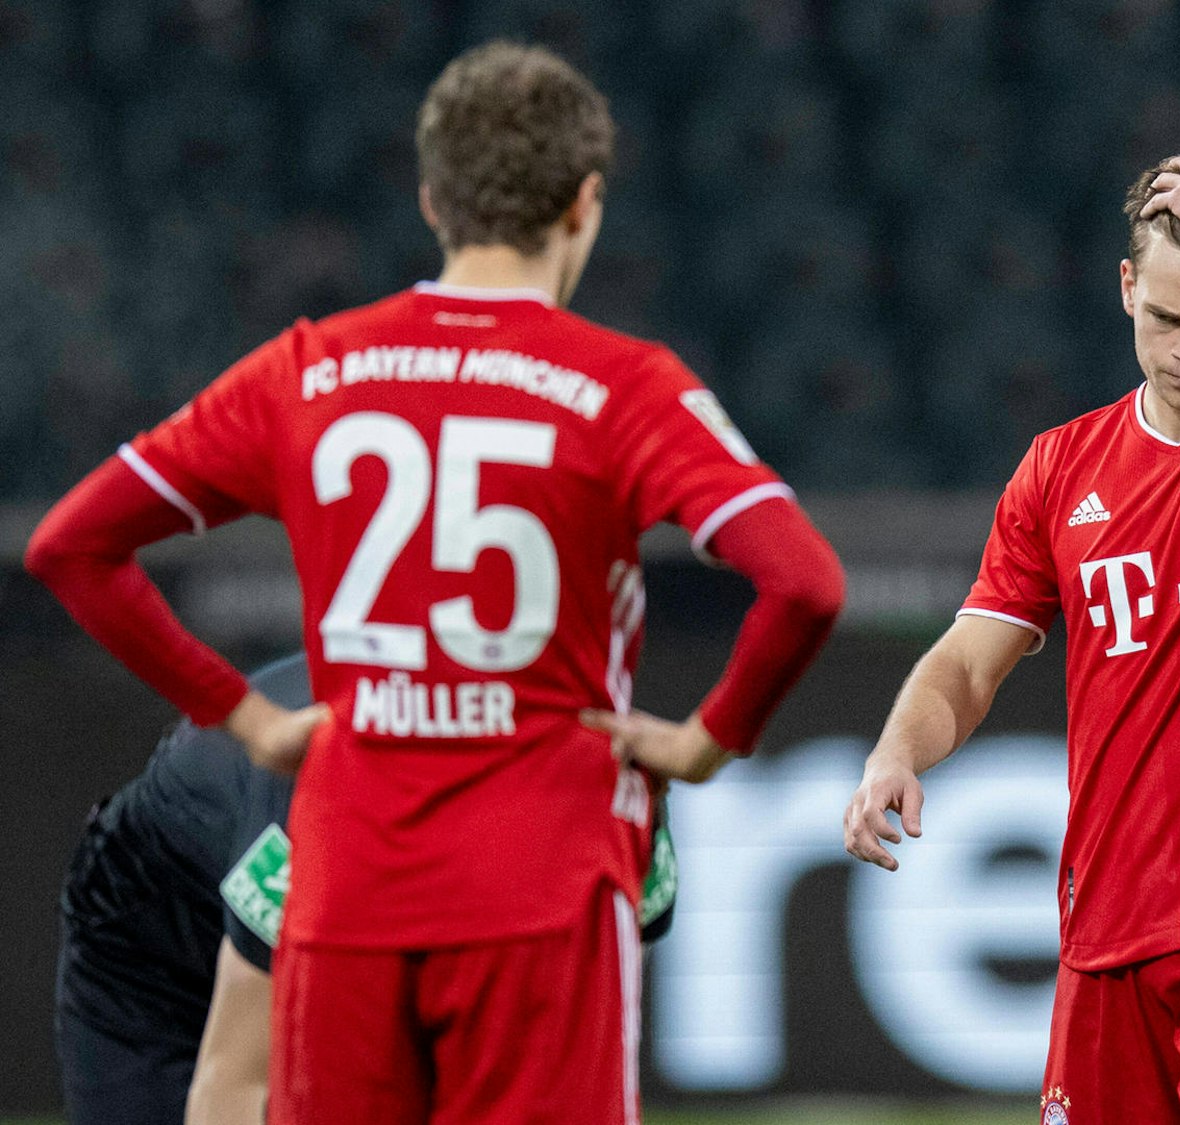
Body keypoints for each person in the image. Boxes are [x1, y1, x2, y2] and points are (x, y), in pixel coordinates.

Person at [27, 41, 844, 1124]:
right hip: (540, 880)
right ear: (584, 204)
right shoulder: (624, 386)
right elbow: (804, 584)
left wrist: (247, 719)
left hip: (347, 873)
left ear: (430, 198)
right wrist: (707, 738)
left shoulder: (310, 367)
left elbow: (70, 550)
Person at [844, 141, 1180, 1123]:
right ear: (1125, 287)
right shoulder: (1060, 468)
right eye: (1167, 317)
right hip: (1104, 932)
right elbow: (968, 662)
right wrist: (897, 747)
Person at [53, 654, 680, 1125]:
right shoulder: (327, 797)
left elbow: (584, 1063)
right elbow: (233, 1083)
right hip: (152, 972)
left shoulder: (621, 802)